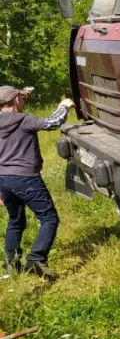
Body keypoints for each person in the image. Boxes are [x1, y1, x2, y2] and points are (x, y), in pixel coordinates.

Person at [0, 87, 75, 279]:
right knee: (49, 217)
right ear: (16, 101)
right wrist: (63, 106)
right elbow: (53, 122)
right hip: (26, 178)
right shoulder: (24, 120)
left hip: (4, 179)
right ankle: (36, 259)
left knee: (16, 221)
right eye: (20, 99)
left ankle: (10, 263)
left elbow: (14, 102)